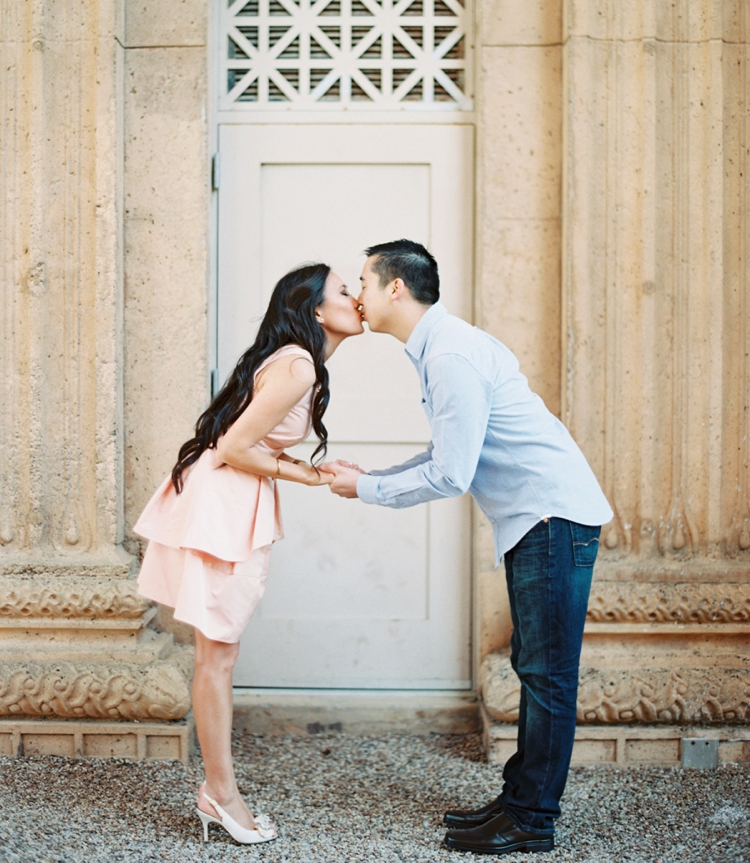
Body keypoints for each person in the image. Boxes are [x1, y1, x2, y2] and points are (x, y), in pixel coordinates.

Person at [322, 239, 613, 856]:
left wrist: (368, 489)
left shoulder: (450, 354)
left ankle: (532, 819)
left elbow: (452, 476)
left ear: (395, 287)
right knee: (535, 670)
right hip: (537, 520)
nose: (357, 297)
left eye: (363, 284)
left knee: (547, 677)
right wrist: (370, 478)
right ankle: (518, 801)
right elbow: (448, 455)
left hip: (551, 519)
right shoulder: (442, 348)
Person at [134, 263, 363, 846]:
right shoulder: (299, 362)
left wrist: (304, 472)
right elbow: (236, 446)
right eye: (344, 290)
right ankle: (220, 794)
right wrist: (314, 476)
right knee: (217, 658)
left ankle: (219, 790)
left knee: (218, 655)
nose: (357, 297)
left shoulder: (295, 359)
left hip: (228, 500)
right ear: (314, 309)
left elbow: (237, 442)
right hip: (225, 505)